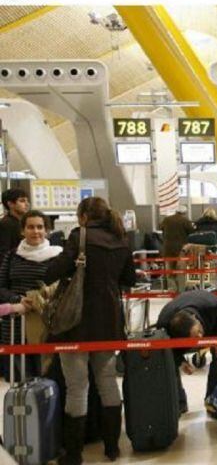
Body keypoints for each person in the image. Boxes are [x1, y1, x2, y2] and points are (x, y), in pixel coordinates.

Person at [44, 197, 137, 464]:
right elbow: (129, 279)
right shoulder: (121, 239)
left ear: (83, 215)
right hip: (108, 323)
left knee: (77, 387)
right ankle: (112, 448)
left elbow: (55, 270)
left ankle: (73, 455)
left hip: (76, 324)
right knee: (107, 382)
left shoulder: (80, 236)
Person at [0, 210, 62, 380]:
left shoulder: (58, 256)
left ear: (47, 230)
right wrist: (18, 299)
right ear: (22, 231)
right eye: (31, 227)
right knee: (19, 382)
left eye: (40, 227)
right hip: (16, 326)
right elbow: (1, 287)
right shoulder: (12, 256)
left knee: (48, 382)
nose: (36, 231)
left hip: (47, 325)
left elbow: (64, 287)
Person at [156, 290, 217, 416]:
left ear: (195, 318)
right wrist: (180, 361)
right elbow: (169, 349)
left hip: (213, 325)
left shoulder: (212, 305)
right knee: (168, 361)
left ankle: (213, 400)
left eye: (199, 332)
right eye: (195, 338)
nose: (200, 337)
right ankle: (178, 403)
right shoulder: (164, 324)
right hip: (180, 333)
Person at [159, 207, 194, 292]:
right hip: (181, 250)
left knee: (170, 272)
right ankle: (181, 291)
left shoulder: (166, 219)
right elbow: (192, 232)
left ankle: (172, 290)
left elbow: (160, 228)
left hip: (168, 249)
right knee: (181, 272)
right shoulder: (185, 221)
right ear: (184, 213)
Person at [0, 188, 30, 259]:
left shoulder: (24, 222)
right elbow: (4, 252)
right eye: (22, 201)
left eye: (27, 201)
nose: (27, 204)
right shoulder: (6, 224)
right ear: (10, 204)